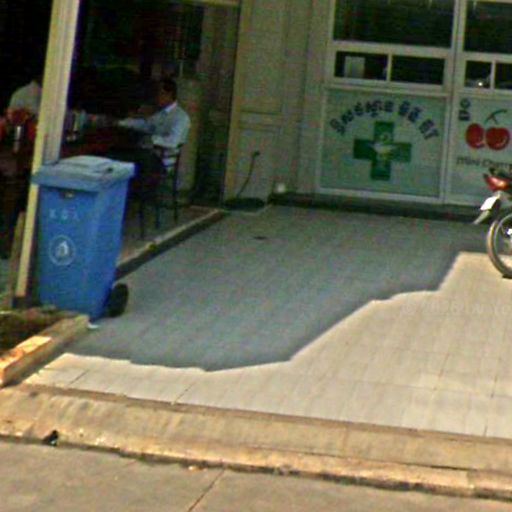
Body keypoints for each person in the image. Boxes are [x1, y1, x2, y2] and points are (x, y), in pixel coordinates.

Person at [119, 77, 190, 158]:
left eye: (158, 93)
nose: (156, 97)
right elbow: (146, 125)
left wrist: (152, 139)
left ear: (168, 94)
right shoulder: (161, 113)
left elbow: (172, 141)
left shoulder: (181, 117)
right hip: (149, 153)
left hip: (162, 158)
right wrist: (121, 122)